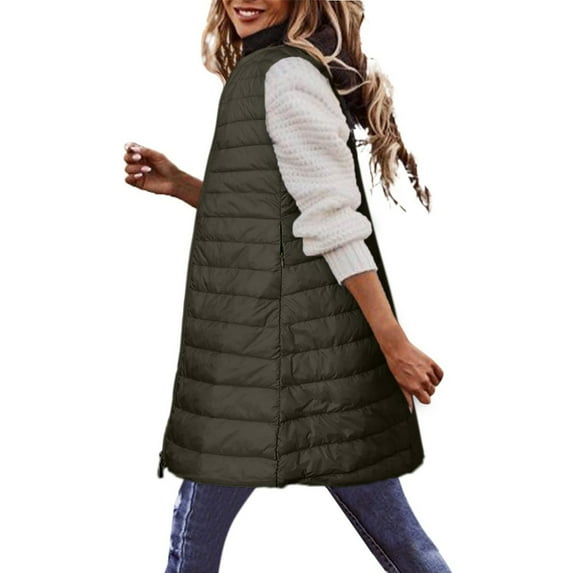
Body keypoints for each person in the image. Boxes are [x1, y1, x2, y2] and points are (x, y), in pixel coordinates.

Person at [123, 1, 451, 571]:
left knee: (193, 541)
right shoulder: (268, 70)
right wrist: (183, 186)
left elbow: (332, 219)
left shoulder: (286, 76)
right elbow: (276, 211)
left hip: (266, 365)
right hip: (311, 363)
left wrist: (394, 344)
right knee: (402, 543)